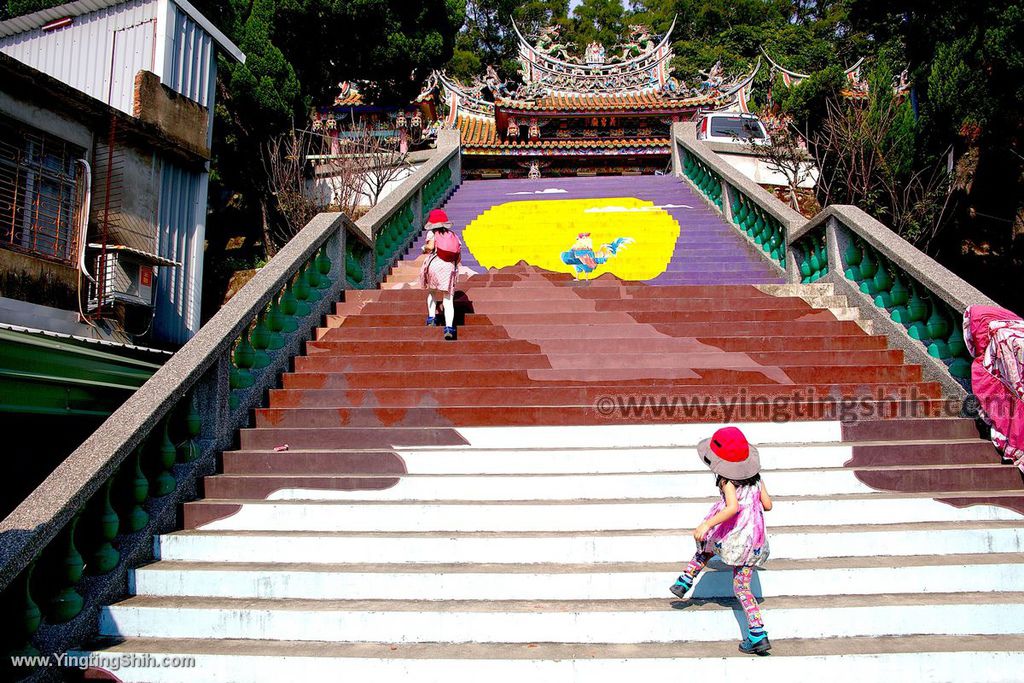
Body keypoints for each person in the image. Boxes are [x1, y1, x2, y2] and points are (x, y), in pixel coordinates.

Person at [669, 426, 773, 655]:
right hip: (752, 539)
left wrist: (708, 523)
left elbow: (733, 507)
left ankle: (686, 578)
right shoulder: (758, 479)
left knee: (708, 542)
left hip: (733, 534)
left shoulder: (727, 482)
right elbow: (767, 505)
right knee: (743, 588)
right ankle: (758, 633)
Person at [420, 209, 461, 340]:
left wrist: (424, 248)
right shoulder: (453, 235)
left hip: (435, 265)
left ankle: (431, 318)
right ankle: (449, 327)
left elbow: (430, 247)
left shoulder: (432, 233)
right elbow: (458, 256)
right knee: (448, 299)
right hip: (449, 267)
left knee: (432, 292)